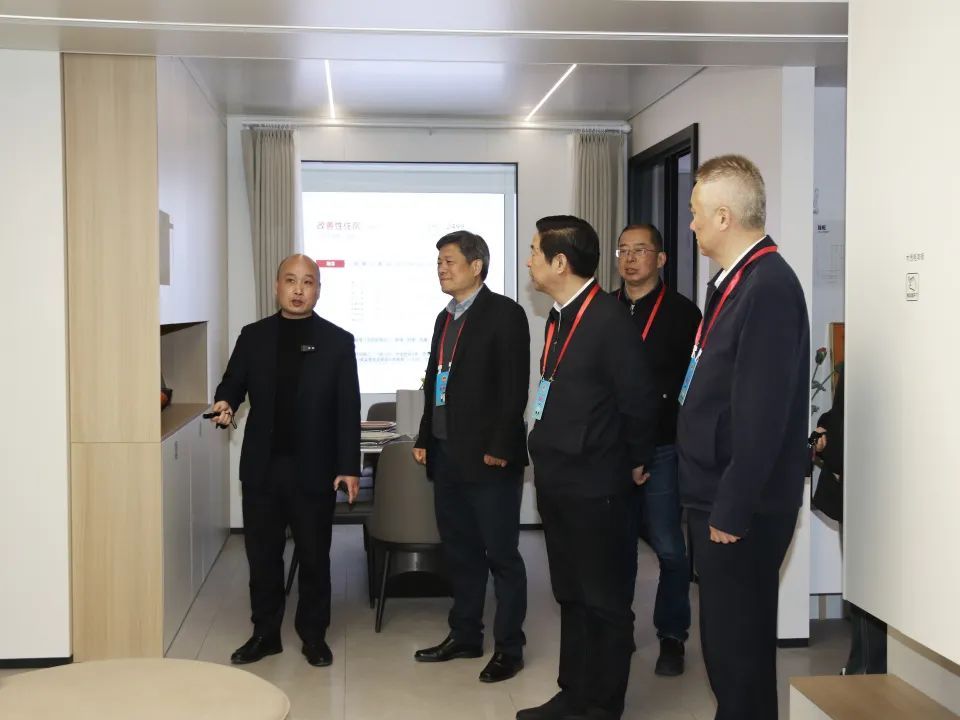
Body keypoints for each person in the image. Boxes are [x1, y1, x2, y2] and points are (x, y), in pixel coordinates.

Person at [676, 155, 809, 720]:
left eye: (696, 213)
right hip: (716, 491)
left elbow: (762, 413)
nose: (691, 224)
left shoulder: (768, 286)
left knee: (739, 651)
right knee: (727, 647)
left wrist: (731, 507)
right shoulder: (737, 280)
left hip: (739, 505)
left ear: (724, 216)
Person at [519, 215, 658, 720]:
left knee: (603, 600)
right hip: (557, 478)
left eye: (535, 252)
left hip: (597, 484)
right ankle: (572, 694)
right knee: (571, 595)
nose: (529, 262)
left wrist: (637, 460)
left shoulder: (608, 319)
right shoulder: (559, 316)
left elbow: (639, 400)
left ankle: (602, 704)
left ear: (560, 262)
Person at [209, 254, 361, 668]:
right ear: (277, 286)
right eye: (290, 281)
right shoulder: (254, 336)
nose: (298, 289)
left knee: (314, 557)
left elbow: (348, 409)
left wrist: (349, 466)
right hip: (263, 467)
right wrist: (225, 401)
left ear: (318, 290)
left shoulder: (337, 341)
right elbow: (233, 382)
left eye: (307, 282)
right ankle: (265, 634)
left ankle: (313, 635)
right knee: (262, 557)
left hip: (315, 469)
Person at [412, 230, 530, 683]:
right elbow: (434, 381)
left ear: (476, 266)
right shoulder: (444, 318)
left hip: (488, 459)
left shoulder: (505, 313)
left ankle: (509, 648)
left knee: (501, 556)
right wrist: (425, 435)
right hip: (447, 455)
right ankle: (464, 635)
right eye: (439, 262)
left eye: (449, 261)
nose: (441, 269)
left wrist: (501, 446)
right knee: (459, 552)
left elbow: (513, 385)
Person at [614, 223, 702, 676]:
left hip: (662, 447)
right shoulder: (605, 309)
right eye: (623, 251)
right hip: (612, 449)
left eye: (640, 250)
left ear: (661, 259)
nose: (630, 259)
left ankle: (672, 635)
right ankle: (620, 630)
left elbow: (693, 385)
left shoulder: (683, 314)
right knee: (618, 547)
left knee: (668, 546)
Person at [814, 367, 888, 675]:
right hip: (870, 495)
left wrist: (827, 447)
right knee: (867, 590)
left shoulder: (863, 362)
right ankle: (865, 665)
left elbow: (845, 431)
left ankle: (865, 669)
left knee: (866, 590)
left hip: (865, 496)